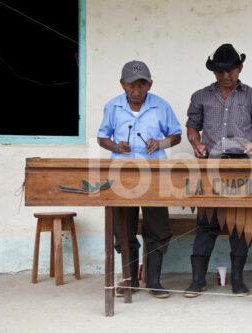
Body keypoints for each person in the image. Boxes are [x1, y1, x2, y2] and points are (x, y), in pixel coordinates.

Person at [184, 44, 252, 297]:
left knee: (239, 224)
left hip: (240, 165)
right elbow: (192, 127)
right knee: (206, 223)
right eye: (220, 72)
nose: (225, 76)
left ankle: (238, 280)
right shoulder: (200, 96)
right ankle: (197, 280)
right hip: (209, 164)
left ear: (240, 68)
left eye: (230, 71)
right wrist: (195, 143)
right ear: (214, 71)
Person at [97, 60, 182, 298]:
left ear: (150, 85)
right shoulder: (112, 107)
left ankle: (153, 282)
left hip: (154, 175)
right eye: (132, 85)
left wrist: (160, 143)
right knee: (123, 227)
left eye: (142, 85)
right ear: (122, 84)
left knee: (157, 228)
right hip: (121, 175)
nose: (137, 91)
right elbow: (102, 137)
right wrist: (116, 145)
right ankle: (129, 280)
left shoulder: (161, 106)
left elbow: (176, 136)